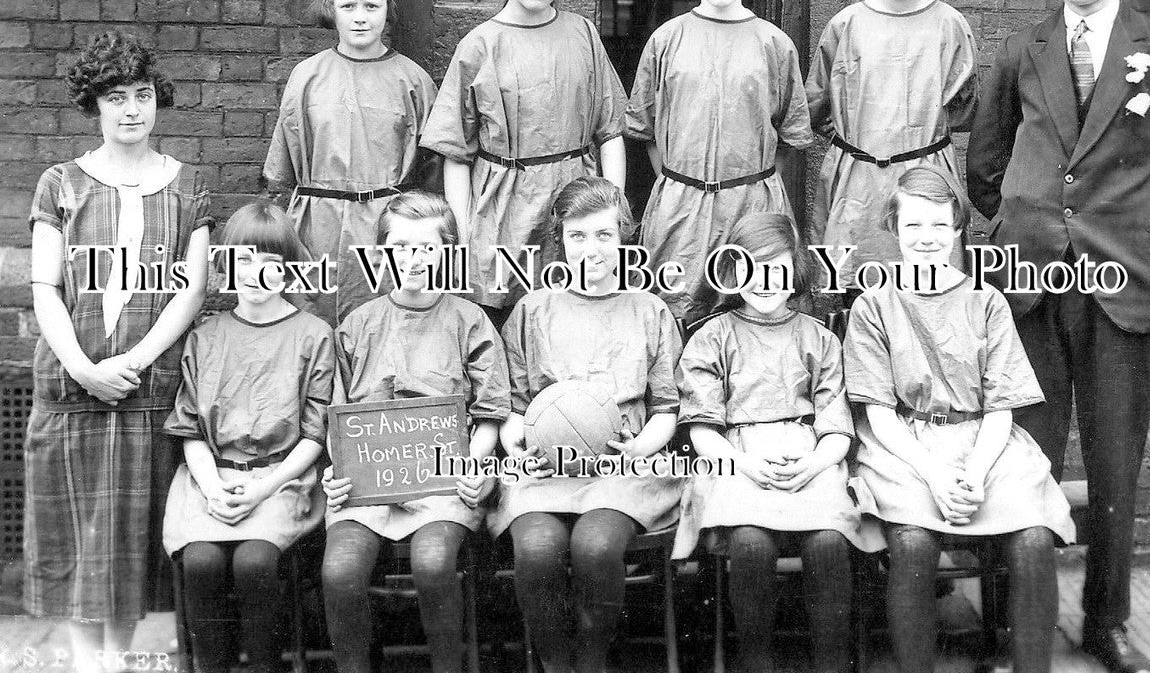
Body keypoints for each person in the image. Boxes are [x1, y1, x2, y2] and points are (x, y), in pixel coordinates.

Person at [966, 0, 1150, 673]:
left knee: (1111, 462)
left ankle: (1107, 623)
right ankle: (1010, 622)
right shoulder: (1019, 49)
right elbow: (984, 167)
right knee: (1022, 461)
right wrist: (1019, 226)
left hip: (1119, 284)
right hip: (1030, 283)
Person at [25, 30, 212, 673]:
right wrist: (82, 367)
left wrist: (133, 363)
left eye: (141, 95)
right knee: (79, 546)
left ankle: (130, 660)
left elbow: (190, 291)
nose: (131, 110)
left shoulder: (188, 188)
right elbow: (45, 285)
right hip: (72, 394)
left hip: (148, 391)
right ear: (94, 105)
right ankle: (87, 665)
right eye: (115, 97)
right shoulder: (60, 184)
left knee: (135, 547)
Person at [842, 166, 1074, 673]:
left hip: (984, 444)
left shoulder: (986, 301)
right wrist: (935, 474)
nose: (926, 239)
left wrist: (972, 474)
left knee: (1033, 538)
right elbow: (878, 414)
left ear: (956, 230)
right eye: (913, 227)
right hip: (903, 444)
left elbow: (1001, 407)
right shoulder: (873, 306)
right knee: (913, 542)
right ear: (895, 230)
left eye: (938, 227)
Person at [673, 212, 880, 673]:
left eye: (777, 269)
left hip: (810, 455)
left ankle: (831, 664)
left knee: (829, 542)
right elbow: (703, 427)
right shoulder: (713, 337)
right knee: (750, 545)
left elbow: (836, 427)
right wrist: (742, 463)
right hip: (734, 458)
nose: (764, 282)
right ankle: (757, 663)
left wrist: (814, 463)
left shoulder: (820, 338)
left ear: (796, 273)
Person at [492, 177, 682, 673]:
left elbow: (666, 408)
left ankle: (592, 660)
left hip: (624, 466)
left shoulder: (650, 310)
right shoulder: (533, 310)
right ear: (561, 241)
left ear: (623, 237)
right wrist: (517, 446)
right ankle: (556, 664)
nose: (591, 250)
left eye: (604, 235)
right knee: (536, 550)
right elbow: (511, 406)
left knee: (595, 547)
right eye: (577, 236)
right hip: (546, 468)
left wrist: (640, 448)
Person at [320, 191, 510, 673]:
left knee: (433, 564)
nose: (414, 259)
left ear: (448, 252)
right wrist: (337, 472)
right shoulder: (356, 325)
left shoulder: (470, 321)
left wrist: (472, 463)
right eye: (400, 246)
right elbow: (338, 417)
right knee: (340, 573)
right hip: (369, 487)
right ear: (381, 251)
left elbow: (488, 414)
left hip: (442, 484)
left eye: (428, 247)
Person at [420, 0, 627, 325]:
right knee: (504, 320)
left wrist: (612, 211)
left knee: (574, 315)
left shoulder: (582, 34)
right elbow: (456, 153)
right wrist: (462, 232)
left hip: (575, 202)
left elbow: (611, 132)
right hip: (502, 208)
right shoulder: (480, 44)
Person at [162, 201, 333, 673]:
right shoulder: (205, 335)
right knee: (200, 564)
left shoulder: (314, 334)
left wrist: (262, 488)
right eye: (244, 262)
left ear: (290, 271)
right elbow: (190, 428)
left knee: (255, 563)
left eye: (271, 265)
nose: (256, 275)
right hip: (209, 480)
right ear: (225, 266)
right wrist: (213, 487)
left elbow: (315, 435)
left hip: (281, 482)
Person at [626, 0, 811, 324]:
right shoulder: (667, 39)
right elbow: (648, 129)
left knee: (752, 310)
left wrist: (754, 181)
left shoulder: (774, 44)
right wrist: (677, 183)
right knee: (673, 313)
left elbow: (788, 136)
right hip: (680, 204)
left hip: (751, 204)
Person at [806, 0, 977, 302]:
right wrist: (862, 144)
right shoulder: (845, 24)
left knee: (929, 294)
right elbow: (818, 106)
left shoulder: (950, 26)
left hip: (925, 179)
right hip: (857, 183)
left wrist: (913, 139)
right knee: (852, 295)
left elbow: (964, 108)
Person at [263, 0, 438, 326]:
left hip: (386, 230)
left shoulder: (414, 81)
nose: (360, 17)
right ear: (331, 6)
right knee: (314, 330)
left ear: (387, 7)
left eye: (372, 5)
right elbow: (282, 174)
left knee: (380, 329)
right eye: (348, 5)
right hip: (316, 231)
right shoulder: (306, 77)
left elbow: (433, 176)